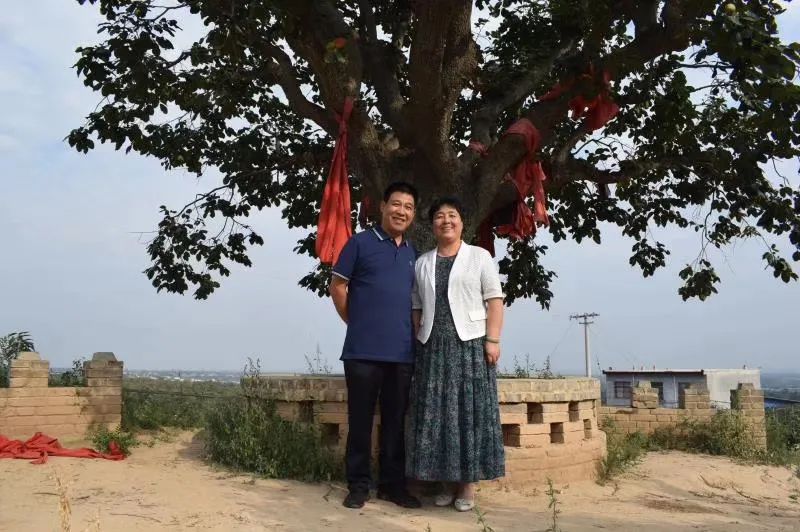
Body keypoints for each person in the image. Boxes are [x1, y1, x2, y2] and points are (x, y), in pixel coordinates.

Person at [407, 196, 506, 511]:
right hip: (433, 349)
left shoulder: (479, 256)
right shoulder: (423, 262)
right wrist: (417, 334)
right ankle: (446, 484)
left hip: (471, 346)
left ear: (462, 222)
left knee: (468, 415)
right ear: (432, 224)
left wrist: (493, 340)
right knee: (438, 416)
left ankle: (467, 486)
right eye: (439, 216)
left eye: (452, 215)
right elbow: (416, 304)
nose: (446, 221)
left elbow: (494, 300)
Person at [329, 181, 422, 510]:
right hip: (362, 352)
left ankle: (392, 486)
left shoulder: (413, 253)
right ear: (382, 207)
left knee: (396, 423)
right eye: (396, 204)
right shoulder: (360, 243)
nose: (401, 211)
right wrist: (355, 322)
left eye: (408, 207)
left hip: (402, 354)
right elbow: (337, 286)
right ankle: (358, 485)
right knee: (361, 421)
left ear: (413, 214)